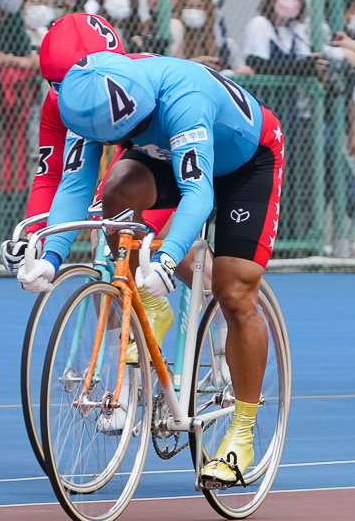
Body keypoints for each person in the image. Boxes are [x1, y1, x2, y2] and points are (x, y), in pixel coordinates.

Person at [22, 48, 284, 489]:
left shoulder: (184, 96)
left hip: (245, 161)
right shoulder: (85, 101)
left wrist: (165, 260)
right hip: (164, 151)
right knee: (116, 192)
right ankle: (148, 304)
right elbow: (74, 184)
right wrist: (49, 256)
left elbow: (197, 193)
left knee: (233, 289)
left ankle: (241, 432)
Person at [0, 12, 176, 344]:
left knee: (133, 225)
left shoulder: (143, 81)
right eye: (59, 87)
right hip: (122, 161)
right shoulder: (58, 102)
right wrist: (34, 240)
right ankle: (121, 364)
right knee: (106, 243)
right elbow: (54, 175)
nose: (72, 98)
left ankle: (221, 309)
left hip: (165, 154)